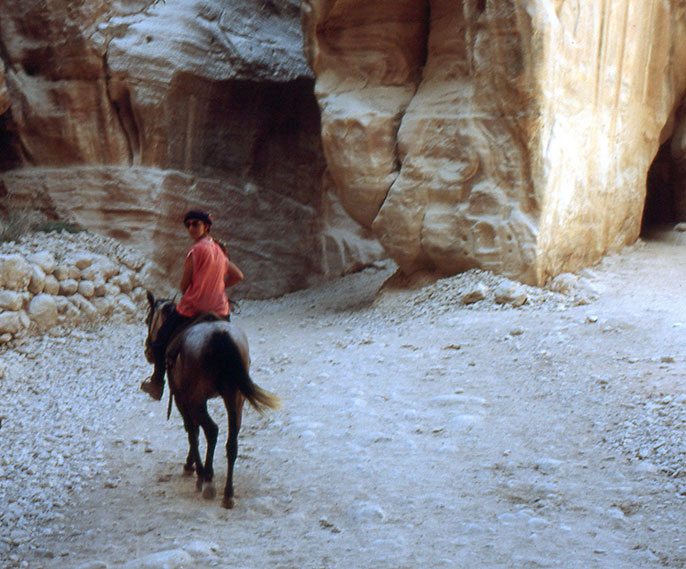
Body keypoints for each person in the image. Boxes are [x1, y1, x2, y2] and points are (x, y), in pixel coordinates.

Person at [141, 209, 244, 400]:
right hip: (221, 309)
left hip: (194, 308)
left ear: (206, 226)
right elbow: (238, 275)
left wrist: (198, 289)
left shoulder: (194, 250)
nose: (190, 228)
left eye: (195, 224)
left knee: (160, 340)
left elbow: (184, 286)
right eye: (187, 225)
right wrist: (220, 287)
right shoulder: (220, 250)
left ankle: (157, 383)